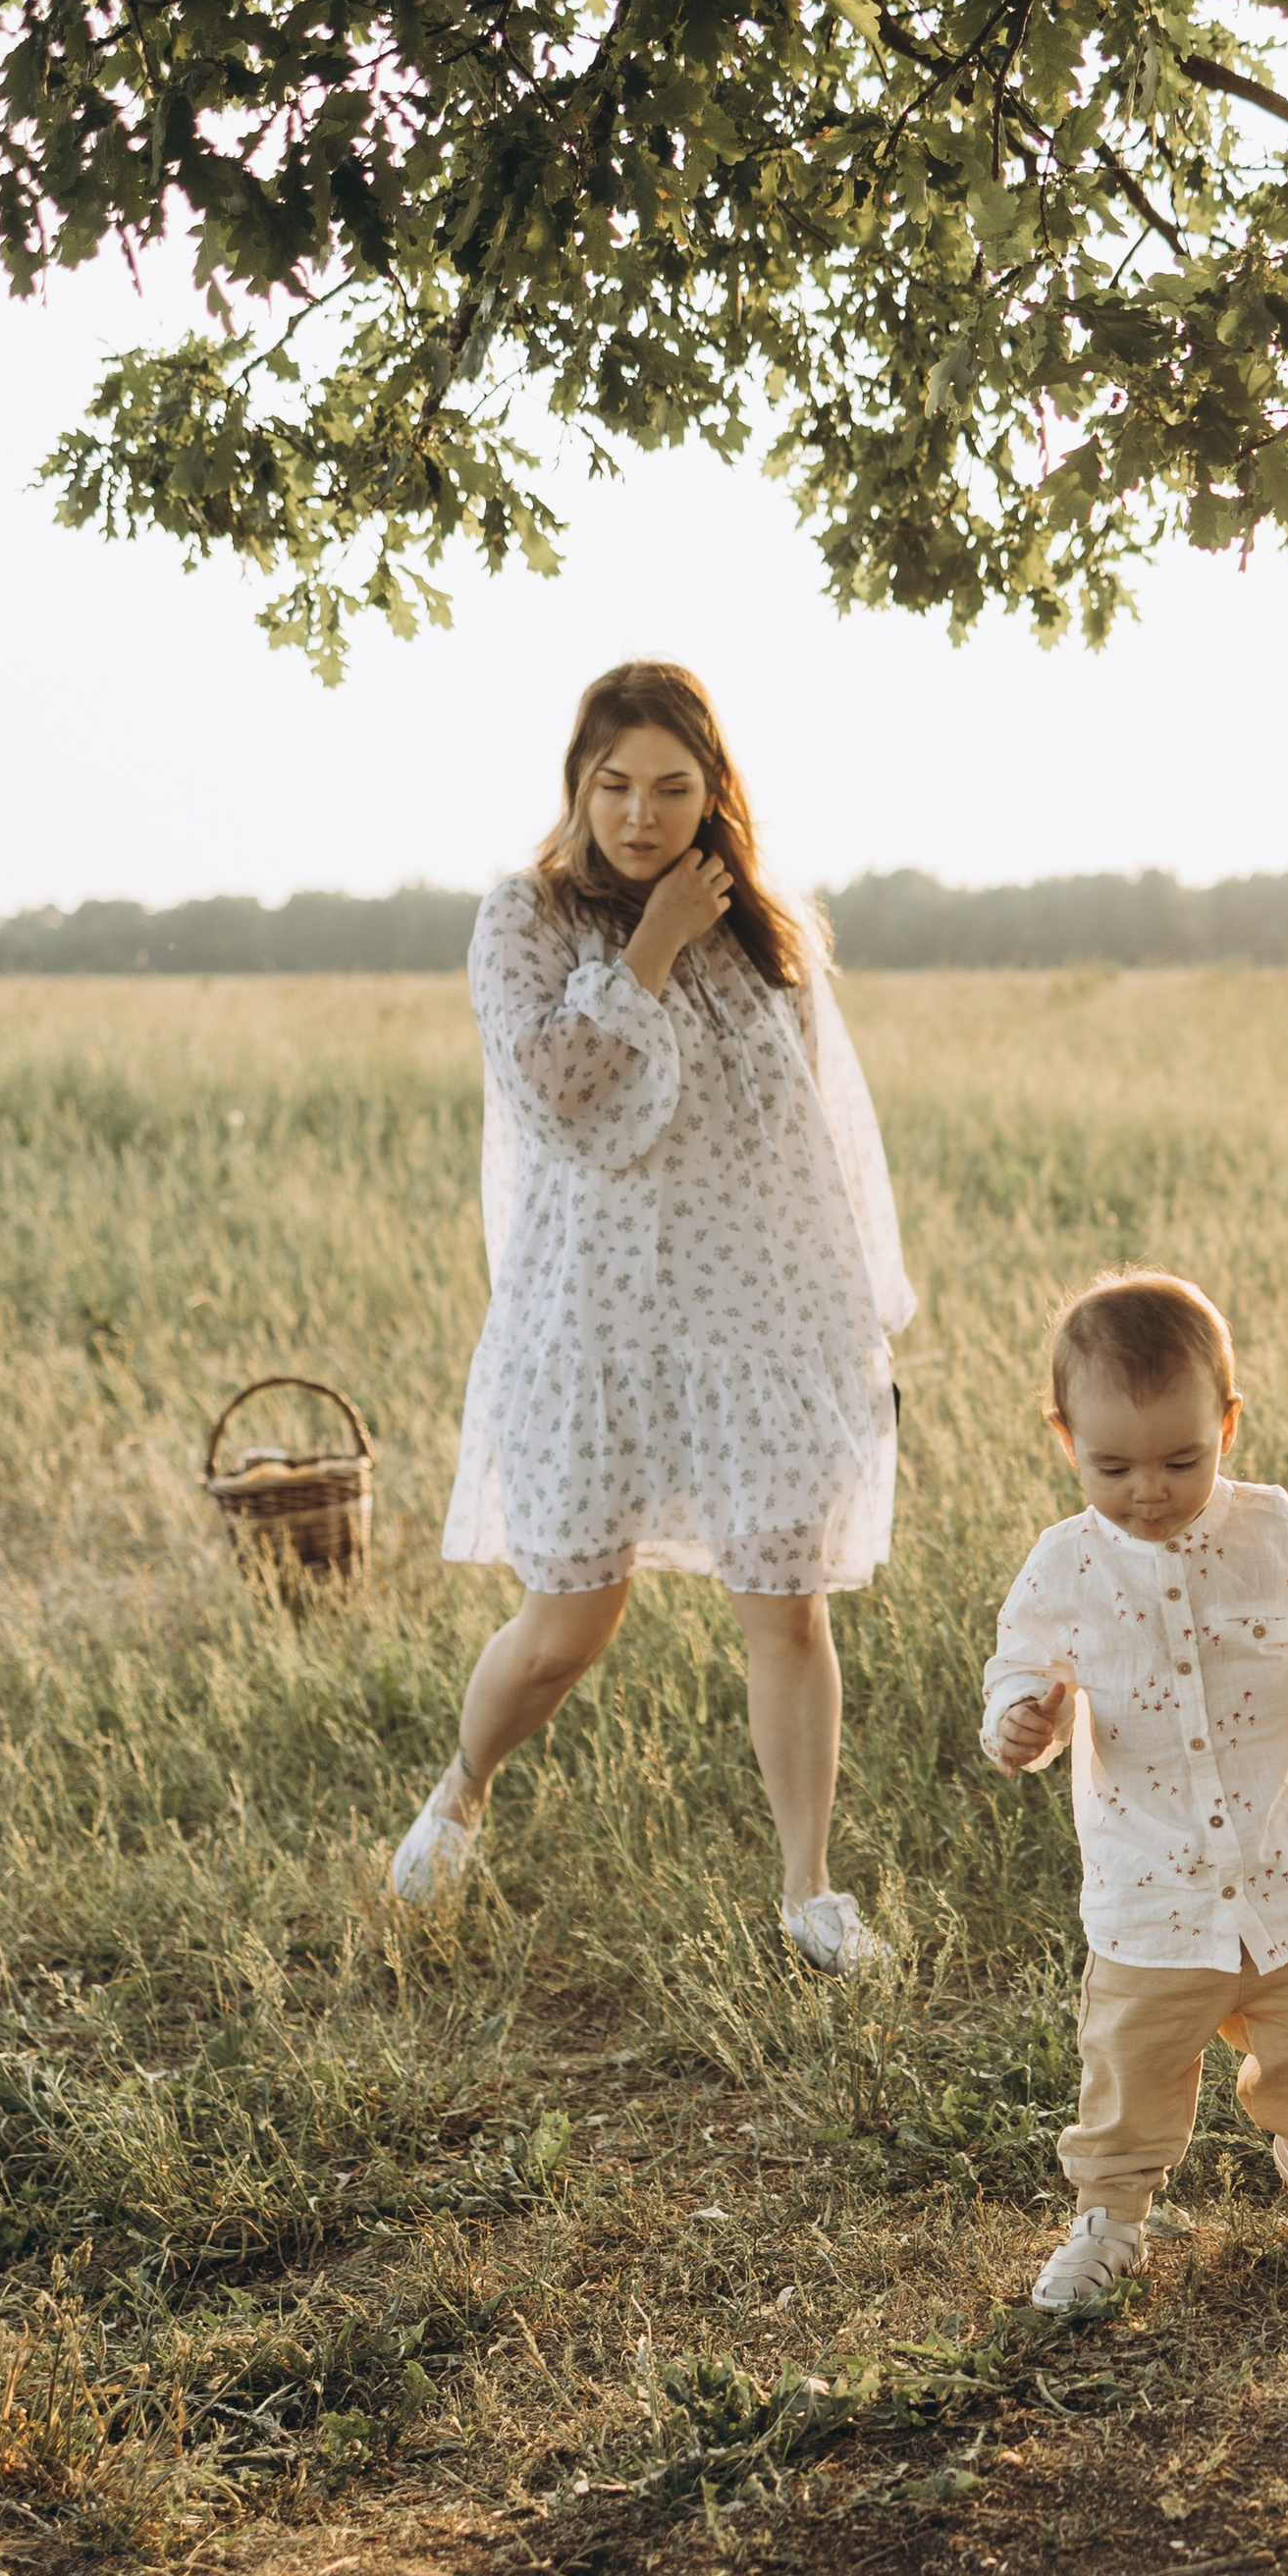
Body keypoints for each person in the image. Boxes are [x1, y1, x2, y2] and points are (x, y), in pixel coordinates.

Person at [391, 661, 916, 1971]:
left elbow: (818, 1144)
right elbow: (560, 1095)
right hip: (595, 1318)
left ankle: (807, 1893)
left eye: (672, 787)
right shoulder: (524, 919)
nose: (641, 811)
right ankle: (462, 1790)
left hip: (754, 1313)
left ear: (713, 791)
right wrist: (652, 940)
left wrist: (849, 1319)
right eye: (616, 784)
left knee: (785, 1601)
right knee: (572, 1621)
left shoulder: (768, 929)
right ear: (577, 784)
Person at [980, 1271, 1288, 2310]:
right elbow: (1022, 1664)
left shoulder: (1268, 1529)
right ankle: (1111, 2216)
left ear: (1227, 1426)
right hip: (1155, 1880)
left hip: (1286, 1859)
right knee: (1131, 2062)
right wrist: (1021, 1715)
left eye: (1180, 1460)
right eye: (1114, 1466)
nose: (1148, 1489)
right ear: (1065, 1441)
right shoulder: (1063, 1564)